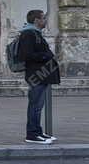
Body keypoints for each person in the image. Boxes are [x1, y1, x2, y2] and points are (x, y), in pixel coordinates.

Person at [17, 10, 60, 144]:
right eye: (43, 18)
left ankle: (38, 132)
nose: (45, 21)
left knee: (38, 106)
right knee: (35, 105)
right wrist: (46, 56)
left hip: (42, 75)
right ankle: (32, 135)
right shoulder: (28, 34)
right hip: (36, 75)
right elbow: (26, 55)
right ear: (36, 20)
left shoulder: (35, 33)